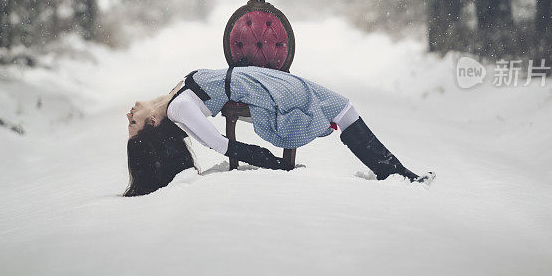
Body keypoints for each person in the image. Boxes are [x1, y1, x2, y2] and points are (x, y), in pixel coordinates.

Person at [123, 65, 434, 196]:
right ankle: (398, 173)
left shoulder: (171, 99)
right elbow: (220, 143)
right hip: (263, 91)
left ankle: (396, 171)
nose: (129, 115)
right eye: (133, 123)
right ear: (152, 123)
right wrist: (275, 162)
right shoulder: (179, 109)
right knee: (341, 108)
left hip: (258, 79)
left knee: (343, 108)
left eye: (129, 120)